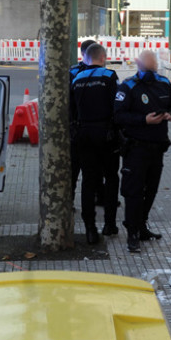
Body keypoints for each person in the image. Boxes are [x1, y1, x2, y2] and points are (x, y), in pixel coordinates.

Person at [114, 49, 171, 252]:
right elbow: (118, 116)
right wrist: (144, 120)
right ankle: (132, 233)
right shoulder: (127, 86)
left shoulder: (163, 83)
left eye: (153, 69)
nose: (150, 73)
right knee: (133, 192)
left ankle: (142, 226)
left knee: (150, 190)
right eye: (147, 69)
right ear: (139, 66)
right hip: (135, 149)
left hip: (157, 148)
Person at [70, 44, 120, 244]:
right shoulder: (109, 76)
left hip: (83, 135)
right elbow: (116, 106)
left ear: (87, 58)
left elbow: (72, 110)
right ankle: (109, 224)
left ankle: (90, 228)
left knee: (89, 181)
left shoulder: (77, 79)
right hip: (106, 135)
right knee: (111, 178)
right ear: (103, 57)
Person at [69, 39, 98, 197]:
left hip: (76, 127)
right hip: (97, 127)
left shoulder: (73, 72)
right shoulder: (104, 73)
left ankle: (69, 200)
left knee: (74, 167)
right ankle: (98, 196)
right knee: (96, 167)